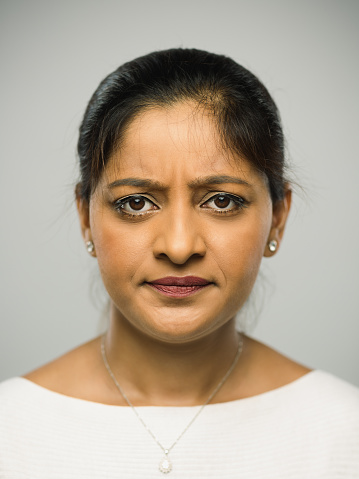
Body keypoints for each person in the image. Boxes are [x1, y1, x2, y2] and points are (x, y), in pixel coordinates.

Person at [0, 48, 358, 478]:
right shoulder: (11, 430)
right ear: (85, 217)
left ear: (277, 218)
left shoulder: (343, 433)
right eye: (136, 202)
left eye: (221, 201)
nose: (179, 245)